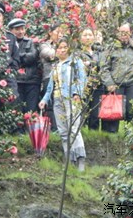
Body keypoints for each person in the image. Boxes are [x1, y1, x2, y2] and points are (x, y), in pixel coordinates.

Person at [39, 38, 87, 171]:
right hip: (57, 99)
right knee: (63, 131)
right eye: (59, 47)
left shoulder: (75, 62)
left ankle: (80, 159)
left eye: (65, 47)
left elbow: (82, 79)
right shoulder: (55, 65)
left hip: (71, 98)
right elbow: (50, 86)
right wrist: (44, 100)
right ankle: (69, 160)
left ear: (69, 48)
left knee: (73, 128)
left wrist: (78, 94)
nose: (62, 50)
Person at [99, 23, 133, 133]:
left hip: (132, 84)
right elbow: (103, 67)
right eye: (121, 33)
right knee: (112, 114)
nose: (123, 35)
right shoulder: (110, 48)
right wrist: (109, 83)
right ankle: (110, 139)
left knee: (132, 112)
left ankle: (131, 139)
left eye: (126, 33)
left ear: (131, 33)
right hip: (115, 84)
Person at [7, 18, 42, 113]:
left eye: (22, 29)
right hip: (16, 82)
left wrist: (16, 56)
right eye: (17, 29)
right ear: (11, 30)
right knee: (17, 110)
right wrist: (21, 56)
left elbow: (32, 57)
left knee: (31, 110)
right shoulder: (8, 42)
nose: (20, 32)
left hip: (31, 82)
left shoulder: (30, 42)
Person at [39, 23, 64, 131]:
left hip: (63, 78)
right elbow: (49, 55)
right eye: (58, 32)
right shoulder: (45, 45)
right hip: (49, 78)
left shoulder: (66, 45)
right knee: (50, 104)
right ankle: (52, 130)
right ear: (50, 33)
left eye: (62, 33)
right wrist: (63, 51)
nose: (60, 35)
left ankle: (61, 129)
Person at [79, 28, 104, 130]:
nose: (88, 37)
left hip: (97, 85)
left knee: (95, 115)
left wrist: (90, 64)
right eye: (85, 35)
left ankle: (93, 137)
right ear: (80, 38)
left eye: (90, 35)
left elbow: (102, 64)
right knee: (82, 114)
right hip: (83, 86)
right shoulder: (78, 52)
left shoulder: (98, 51)